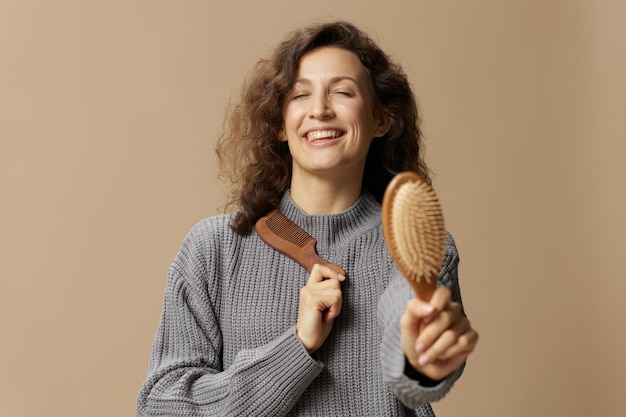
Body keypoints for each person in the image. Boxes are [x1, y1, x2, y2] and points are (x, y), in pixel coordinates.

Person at [137, 20, 478, 417]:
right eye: (301, 95)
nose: (320, 110)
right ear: (280, 124)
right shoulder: (212, 249)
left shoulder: (417, 241)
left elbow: (413, 352)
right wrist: (296, 347)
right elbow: (161, 407)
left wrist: (425, 353)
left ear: (381, 119)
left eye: (343, 92)